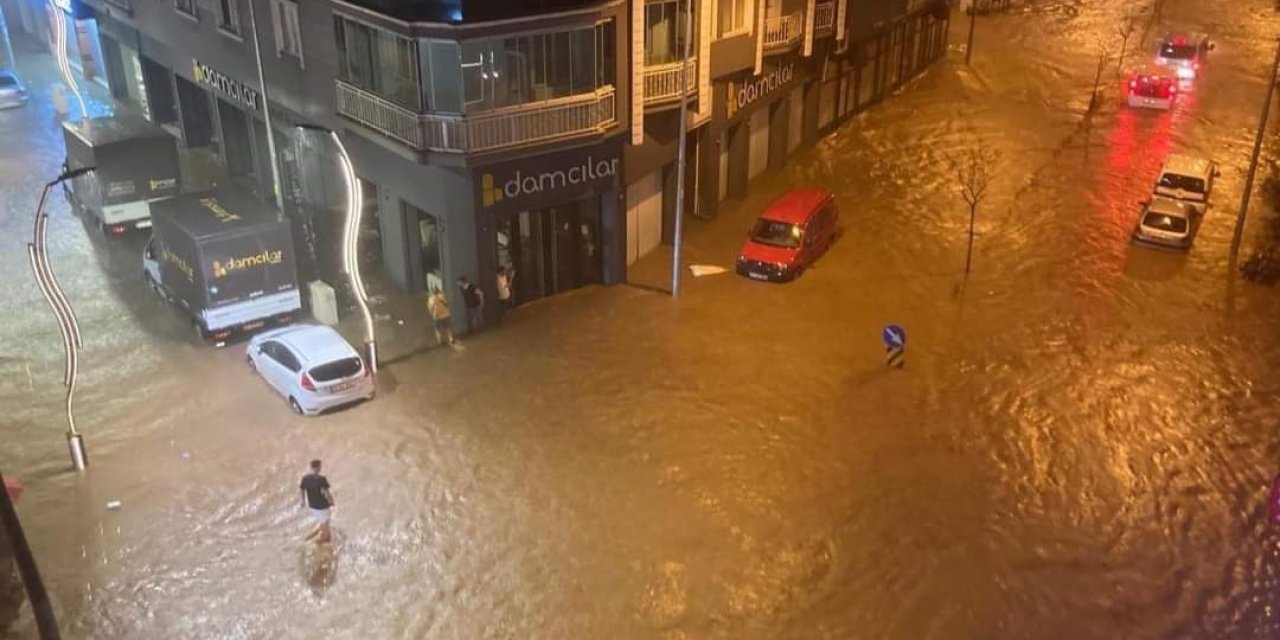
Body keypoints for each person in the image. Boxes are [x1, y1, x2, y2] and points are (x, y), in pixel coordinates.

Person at [300, 459, 334, 544]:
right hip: (322, 506)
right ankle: (312, 543)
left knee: (323, 524)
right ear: (318, 467)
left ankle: (306, 539)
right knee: (325, 531)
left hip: (313, 506)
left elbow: (302, 490)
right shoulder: (321, 479)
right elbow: (326, 492)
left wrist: (303, 501)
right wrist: (331, 501)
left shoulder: (305, 478)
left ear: (311, 467)